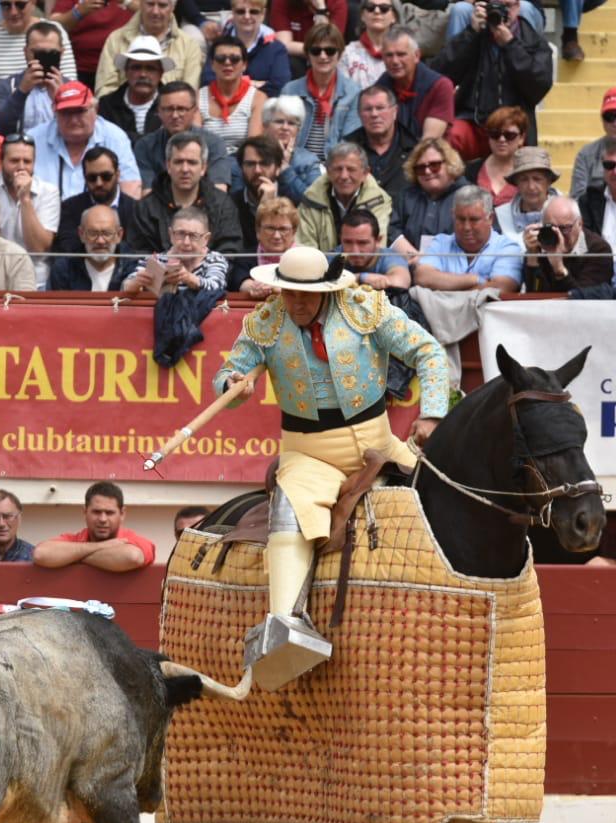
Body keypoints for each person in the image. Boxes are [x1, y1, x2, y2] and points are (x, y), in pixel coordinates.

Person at [211, 244, 447, 686]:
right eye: (289, 293)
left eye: (307, 295)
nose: (297, 303)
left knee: (441, 496)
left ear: (327, 290)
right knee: (289, 508)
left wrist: (432, 411)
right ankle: (284, 624)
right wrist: (232, 384)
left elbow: (428, 352)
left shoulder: (365, 309)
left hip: (379, 443)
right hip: (309, 453)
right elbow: (227, 374)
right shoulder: (266, 322)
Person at [431, 0, 552, 161]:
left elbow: (538, 87)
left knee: (525, 156)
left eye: (507, 6)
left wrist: (511, 45)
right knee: (448, 139)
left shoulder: (533, 40)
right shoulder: (475, 34)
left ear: (518, 7)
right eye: (497, 5)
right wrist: (470, 33)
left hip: (513, 125)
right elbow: (439, 75)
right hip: (473, 121)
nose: (502, 12)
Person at [26, 79, 142, 201]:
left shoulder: (115, 137)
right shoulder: (34, 139)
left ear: (96, 110)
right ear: (55, 112)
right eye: (66, 112)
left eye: (80, 111)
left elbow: (131, 189)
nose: (73, 120)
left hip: (101, 212)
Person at [132, 130, 242, 255]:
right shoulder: (145, 208)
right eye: (178, 162)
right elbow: (139, 255)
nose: (185, 169)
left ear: (203, 168)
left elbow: (230, 252)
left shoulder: (223, 205)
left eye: (192, 162)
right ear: (168, 166)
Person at [0, 132, 57, 286]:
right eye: (14, 161)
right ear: (0, 161)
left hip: (36, 281)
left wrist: (25, 199)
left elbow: (39, 249)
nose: (21, 167)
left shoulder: (49, 192)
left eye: (27, 161)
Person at [413, 183, 523, 293]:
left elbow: (502, 288)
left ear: (490, 218)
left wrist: (445, 285)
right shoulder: (440, 243)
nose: (466, 227)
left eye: (474, 220)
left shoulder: (507, 248)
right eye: (461, 219)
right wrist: (476, 279)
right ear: (453, 215)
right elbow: (422, 277)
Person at [135, 80, 238, 191]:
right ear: (159, 112)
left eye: (181, 109)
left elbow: (219, 190)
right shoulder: (145, 146)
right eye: (168, 109)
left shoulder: (214, 143)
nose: (175, 115)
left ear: (195, 111)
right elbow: (147, 192)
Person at [34, 480, 156, 572]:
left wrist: (72, 556)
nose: (103, 519)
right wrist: (102, 546)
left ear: (122, 514)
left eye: (109, 513)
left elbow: (132, 557)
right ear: (85, 512)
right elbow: (41, 554)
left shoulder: (133, 540)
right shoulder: (75, 539)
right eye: (96, 512)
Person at [280, 22, 359, 160]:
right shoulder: (290, 91)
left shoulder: (353, 92)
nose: (323, 56)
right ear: (308, 54)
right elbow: (282, 138)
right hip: (296, 164)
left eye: (330, 50)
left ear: (339, 54)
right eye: (316, 51)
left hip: (336, 165)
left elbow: (350, 142)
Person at [95, 0, 205, 97]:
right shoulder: (116, 39)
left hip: (171, 112)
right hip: (120, 112)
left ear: (173, 7)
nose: (155, 11)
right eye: (150, 4)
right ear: (141, 4)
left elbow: (189, 94)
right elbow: (105, 89)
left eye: (162, 5)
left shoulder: (189, 45)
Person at [295, 139, 389, 252]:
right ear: (328, 171)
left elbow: (375, 250)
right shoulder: (311, 199)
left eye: (351, 169)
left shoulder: (378, 201)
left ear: (365, 173)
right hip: (319, 263)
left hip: (362, 263)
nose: (344, 176)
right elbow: (305, 250)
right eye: (338, 169)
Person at [120, 201, 228, 297]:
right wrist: (137, 282)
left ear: (206, 239)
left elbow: (217, 287)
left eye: (193, 236)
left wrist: (188, 278)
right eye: (180, 234)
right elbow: (125, 287)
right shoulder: (155, 260)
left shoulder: (214, 259)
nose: (186, 242)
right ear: (171, 235)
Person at [0, 0, 77, 91]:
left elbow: (71, 84)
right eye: (6, 5)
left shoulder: (54, 32)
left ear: (33, 2)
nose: (13, 12)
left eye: (20, 5)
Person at [374, 25, 453, 145]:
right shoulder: (379, 88)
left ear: (416, 56)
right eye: (389, 55)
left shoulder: (440, 86)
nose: (395, 61)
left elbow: (428, 141)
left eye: (401, 54)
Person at [390, 135, 469, 253]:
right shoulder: (406, 197)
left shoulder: (471, 196)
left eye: (434, 165)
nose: (427, 171)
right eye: (420, 168)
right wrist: (414, 257)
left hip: (457, 261)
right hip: (409, 261)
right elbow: (392, 230)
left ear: (450, 164)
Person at [0, 18, 68, 136]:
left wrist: (61, 99)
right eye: (38, 53)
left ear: (61, 53)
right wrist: (21, 92)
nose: (44, 58)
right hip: (18, 147)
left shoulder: (74, 89)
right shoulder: (5, 87)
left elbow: (82, 130)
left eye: (52, 53)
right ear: (25, 52)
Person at [522, 193, 613, 293]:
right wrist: (532, 257)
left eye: (564, 228)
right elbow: (534, 294)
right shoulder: (540, 244)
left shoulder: (598, 250)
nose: (558, 234)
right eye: (551, 227)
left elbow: (585, 298)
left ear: (580, 224)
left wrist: (559, 269)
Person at [53, 145, 135, 255]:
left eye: (106, 176)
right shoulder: (69, 208)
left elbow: (136, 250)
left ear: (117, 174)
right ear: (84, 177)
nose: (99, 183)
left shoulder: (136, 210)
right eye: (92, 178)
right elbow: (67, 249)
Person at [204, 0, 289, 97]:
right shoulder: (218, 46)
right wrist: (255, 83)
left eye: (254, 12)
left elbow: (280, 88)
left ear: (263, 14)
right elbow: (207, 81)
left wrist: (230, 82)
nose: (247, 16)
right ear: (233, 13)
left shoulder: (276, 48)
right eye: (240, 11)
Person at [344, 83, 412, 198]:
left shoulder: (414, 150)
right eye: (368, 109)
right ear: (359, 115)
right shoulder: (346, 150)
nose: (374, 114)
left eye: (380, 108)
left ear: (395, 111)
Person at [46, 201, 132, 291]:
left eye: (107, 233)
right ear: (81, 234)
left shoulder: (133, 265)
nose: (100, 241)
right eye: (93, 233)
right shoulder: (64, 269)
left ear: (119, 235)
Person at [200, 35, 264, 154]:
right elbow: (196, 142)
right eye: (220, 58)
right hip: (208, 160)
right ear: (212, 64)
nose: (227, 62)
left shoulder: (258, 98)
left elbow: (254, 146)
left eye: (235, 59)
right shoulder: (198, 97)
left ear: (244, 65)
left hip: (242, 161)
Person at [100, 32, 167, 139]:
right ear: (126, 71)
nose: (143, 74)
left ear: (161, 73)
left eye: (150, 68)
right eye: (136, 68)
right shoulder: (107, 105)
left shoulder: (172, 105)